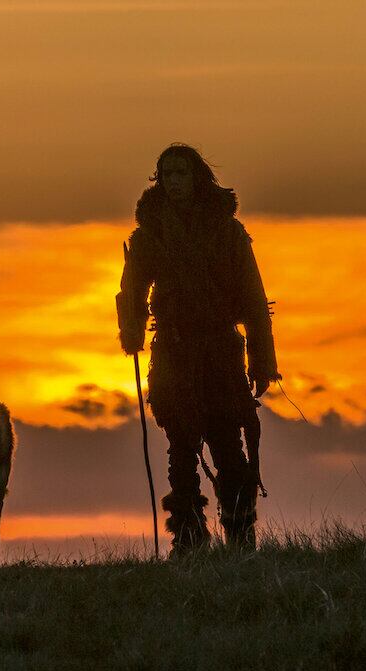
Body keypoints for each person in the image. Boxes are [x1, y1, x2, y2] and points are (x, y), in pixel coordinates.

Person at [116, 143, 279, 555]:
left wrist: (262, 362)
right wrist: (132, 331)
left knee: (227, 445)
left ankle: (241, 537)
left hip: (221, 350)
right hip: (173, 351)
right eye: (167, 174)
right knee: (182, 447)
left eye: (181, 173)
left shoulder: (227, 230)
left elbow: (254, 298)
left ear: (197, 178)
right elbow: (132, 290)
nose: (173, 182)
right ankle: (188, 541)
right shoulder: (150, 232)